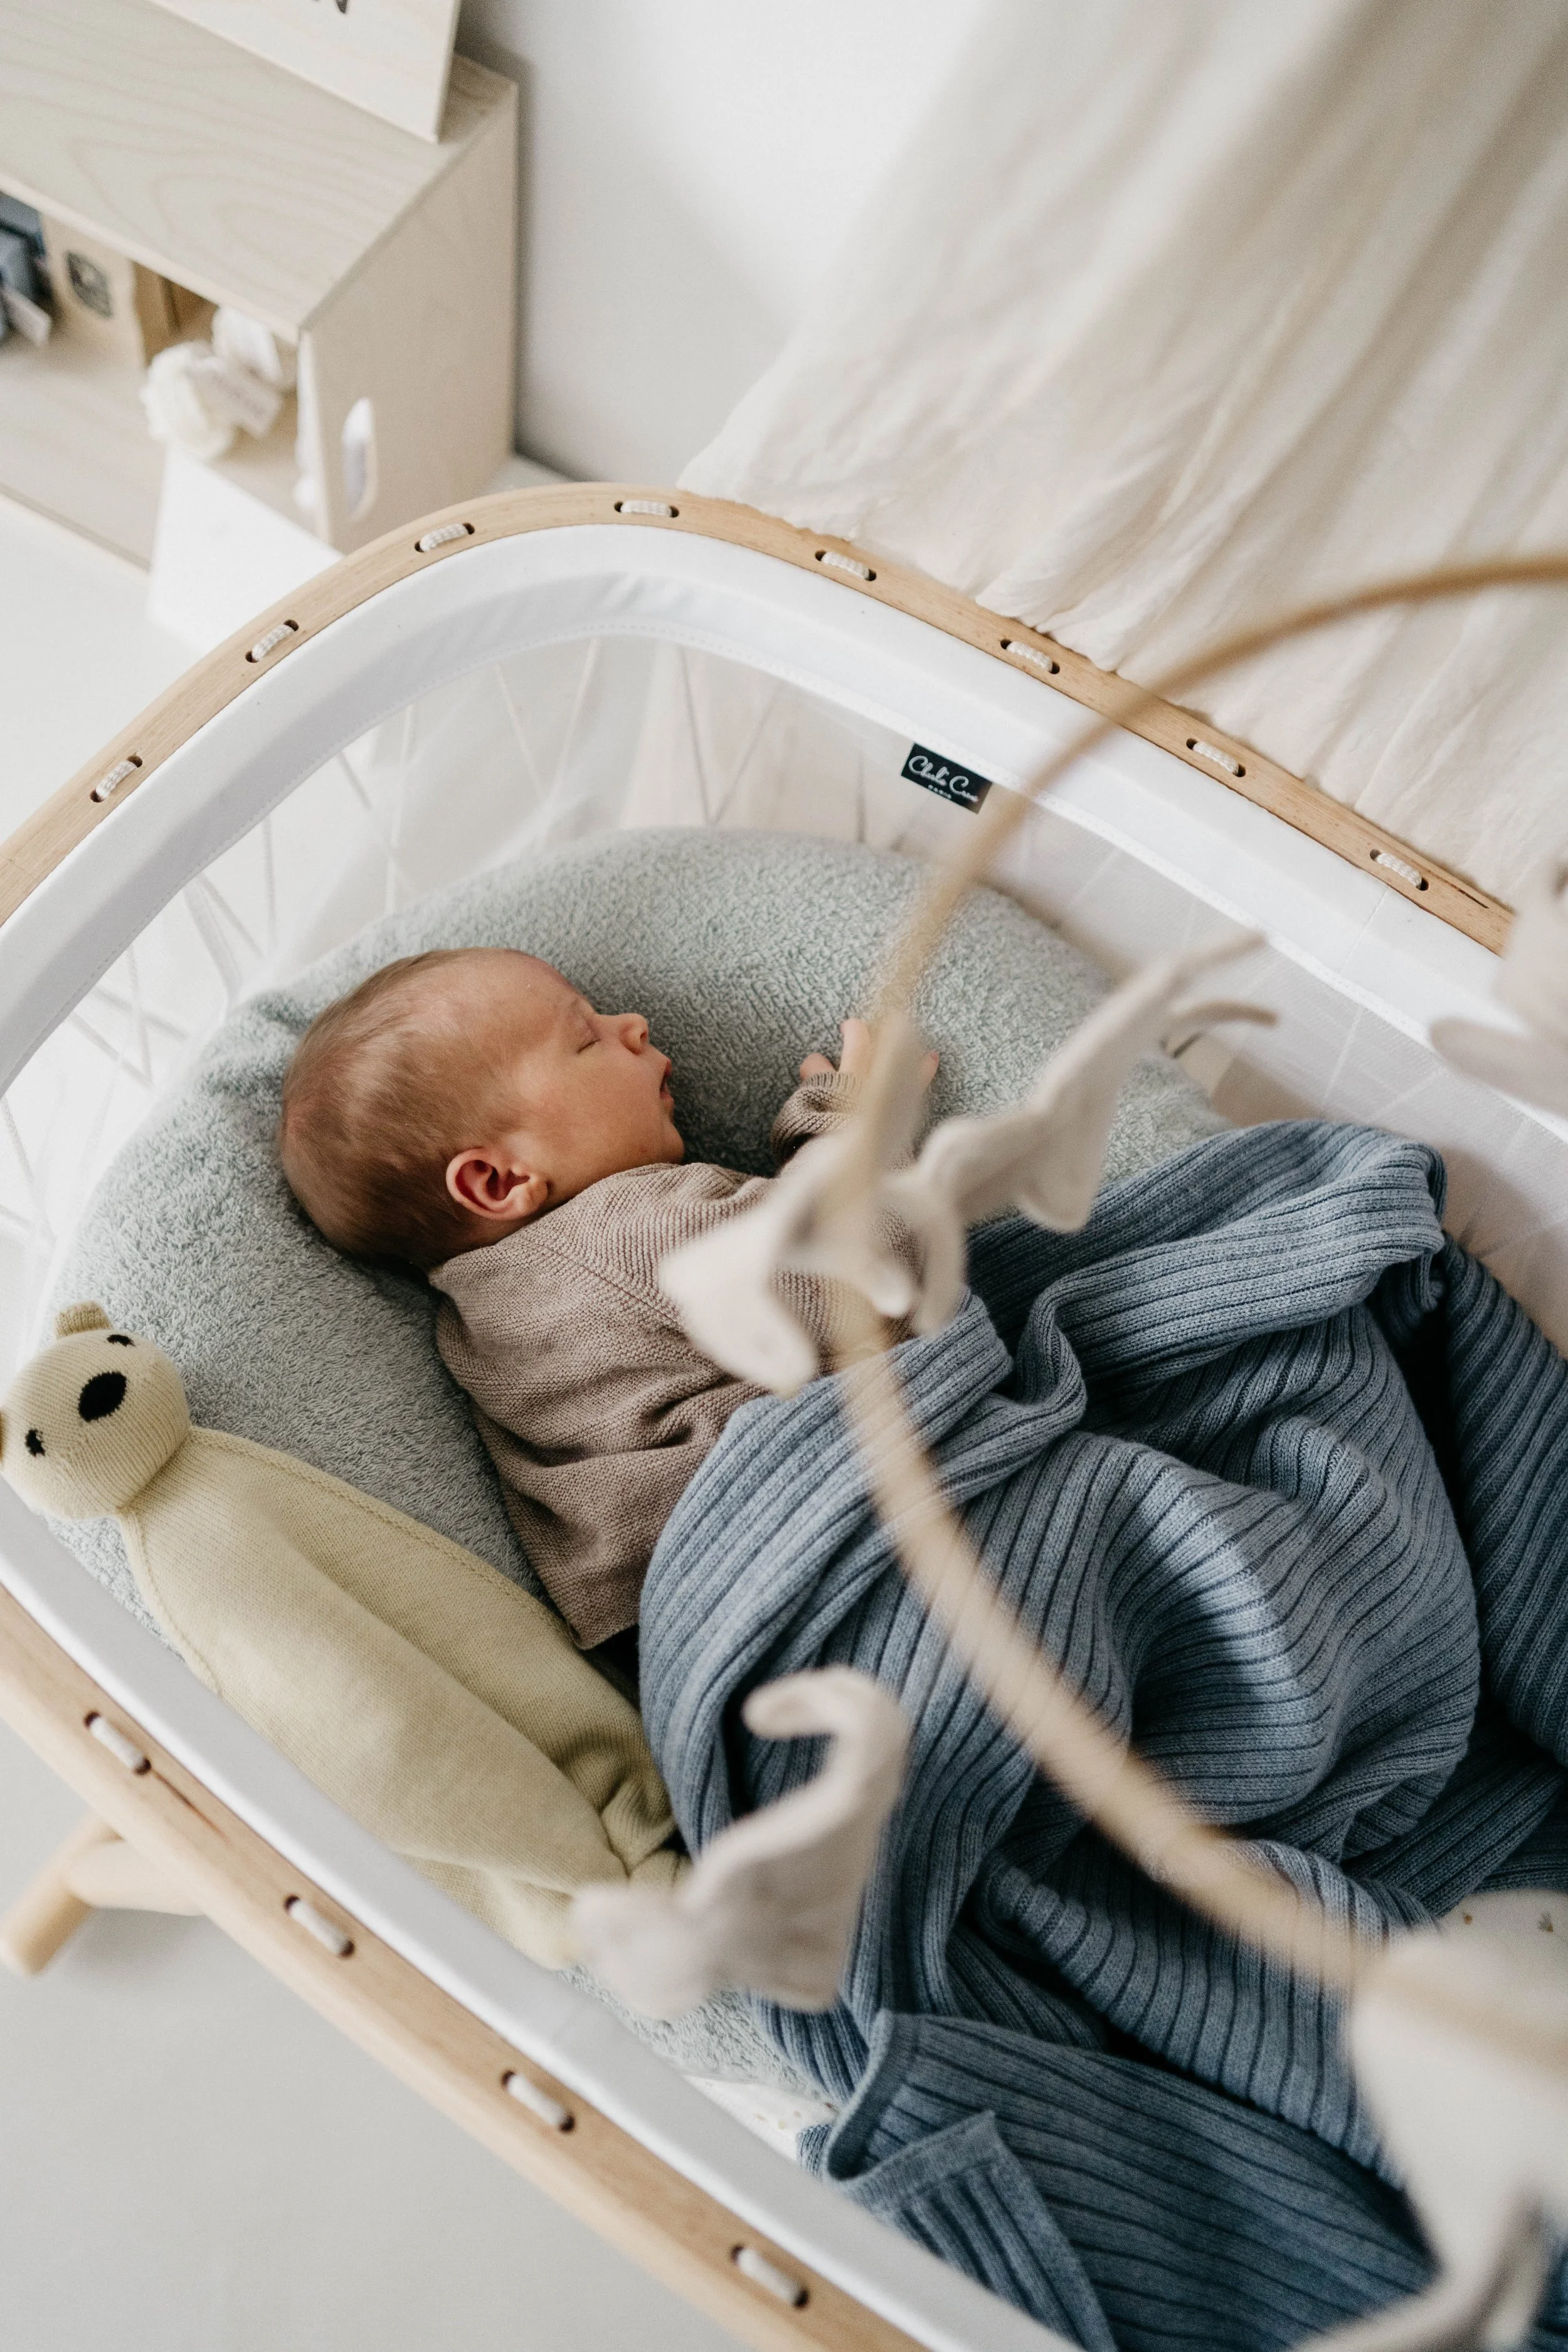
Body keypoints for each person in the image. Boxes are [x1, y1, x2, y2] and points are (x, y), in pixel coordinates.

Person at [278, 947, 919, 1649]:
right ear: (498, 1181)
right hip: (810, 1563)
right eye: (586, 1037)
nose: (634, 1025)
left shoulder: (474, 1326)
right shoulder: (625, 1234)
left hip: (685, 1633)